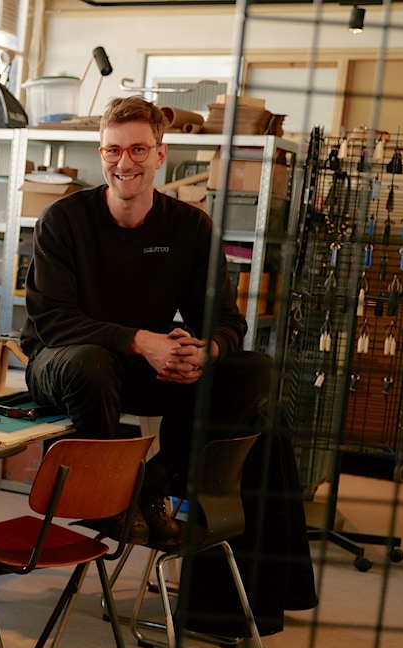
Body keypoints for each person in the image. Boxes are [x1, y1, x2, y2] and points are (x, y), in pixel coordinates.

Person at [20, 95, 272, 542]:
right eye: (113, 150)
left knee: (252, 370)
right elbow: (53, 320)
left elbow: (226, 320)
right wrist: (141, 340)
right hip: (62, 363)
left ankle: (154, 482)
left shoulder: (191, 228)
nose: (125, 162)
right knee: (90, 363)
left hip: (141, 368)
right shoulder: (62, 220)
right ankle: (104, 497)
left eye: (138, 149)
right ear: (101, 154)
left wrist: (204, 351)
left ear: (160, 154)